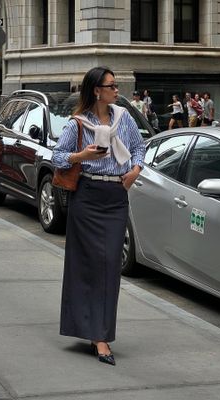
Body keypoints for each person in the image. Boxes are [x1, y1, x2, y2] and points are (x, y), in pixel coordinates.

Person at [51, 66, 145, 366]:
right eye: (111, 86)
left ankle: (100, 331)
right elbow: (57, 156)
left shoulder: (124, 118)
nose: (117, 90)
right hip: (87, 198)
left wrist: (134, 172)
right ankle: (95, 336)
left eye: (116, 86)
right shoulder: (77, 124)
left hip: (115, 198)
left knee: (108, 267)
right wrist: (82, 156)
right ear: (96, 90)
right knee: (85, 267)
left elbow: (140, 148)